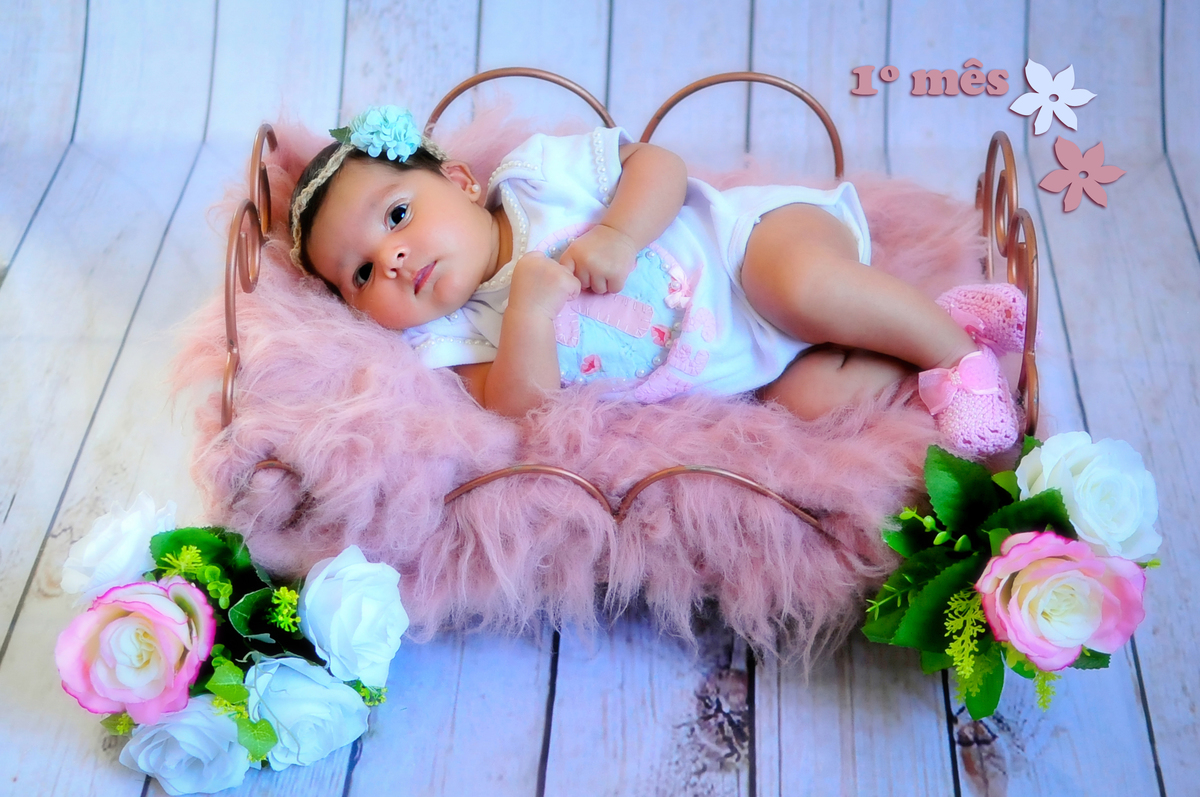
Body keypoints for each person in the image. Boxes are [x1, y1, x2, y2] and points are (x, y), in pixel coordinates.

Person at [289, 106, 1029, 456]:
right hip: (744, 366)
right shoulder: (449, 338)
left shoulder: (536, 180)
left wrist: (619, 233)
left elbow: (659, 165)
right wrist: (528, 313)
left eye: (397, 215)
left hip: (748, 251)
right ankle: (928, 324)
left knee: (801, 290)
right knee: (805, 408)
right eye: (361, 272)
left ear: (458, 180)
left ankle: (957, 358)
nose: (391, 258)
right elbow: (522, 410)